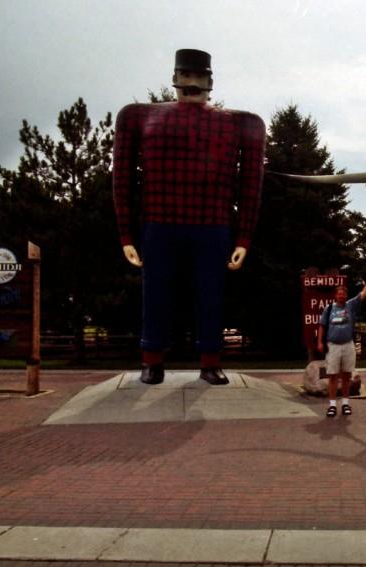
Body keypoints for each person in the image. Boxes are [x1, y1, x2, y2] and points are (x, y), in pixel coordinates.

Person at [112, 49, 265, 385]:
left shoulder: (243, 123)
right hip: (160, 220)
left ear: (209, 82)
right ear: (176, 80)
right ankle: (152, 360)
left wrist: (243, 237)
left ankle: (210, 361)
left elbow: (251, 184)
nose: (192, 84)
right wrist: (126, 235)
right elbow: (121, 177)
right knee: (155, 292)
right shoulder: (137, 117)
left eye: (199, 78)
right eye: (186, 78)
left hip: (212, 223)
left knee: (210, 293)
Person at [317, 271, 366, 417]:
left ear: (346, 295)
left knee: (346, 376)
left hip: (348, 345)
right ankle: (332, 406)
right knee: (332, 376)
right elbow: (322, 326)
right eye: (339, 294)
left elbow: (364, 293)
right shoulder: (329, 309)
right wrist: (320, 342)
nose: (341, 296)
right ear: (335, 295)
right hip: (333, 346)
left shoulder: (351, 306)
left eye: (344, 294)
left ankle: (345, 404)